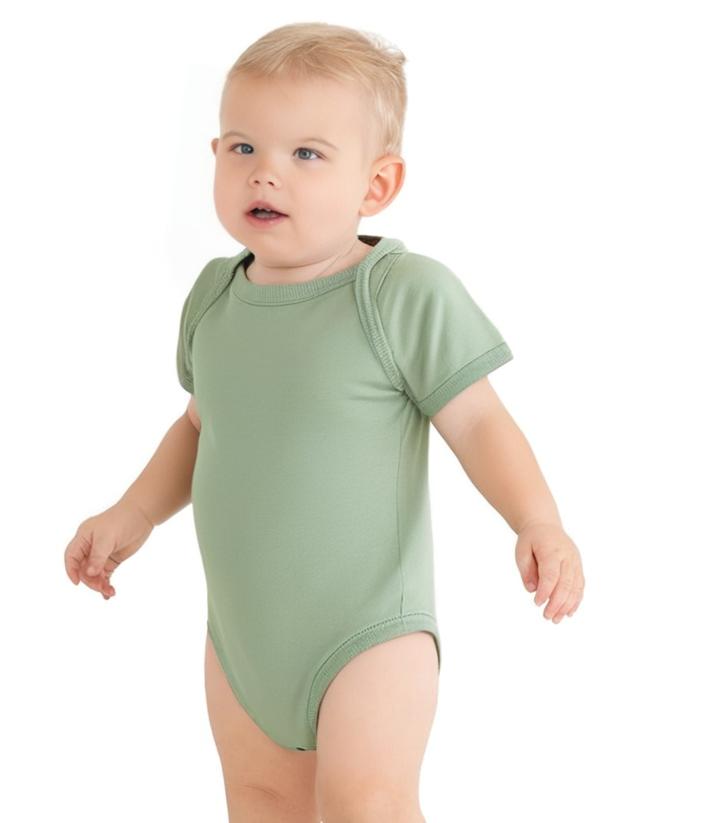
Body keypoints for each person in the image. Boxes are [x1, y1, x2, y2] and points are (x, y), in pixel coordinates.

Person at [63, 21, 585, 823]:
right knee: (261, 802)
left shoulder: (398, 292)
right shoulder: (214, 297)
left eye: (306, 153)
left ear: (375, 185)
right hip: (243, 636)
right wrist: (133, 511)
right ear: (214, 155)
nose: (265, 171)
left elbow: (479, 420)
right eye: (243, 147)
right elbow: (201, 427)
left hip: (369, 629)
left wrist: (536, 519)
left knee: (366, 805)